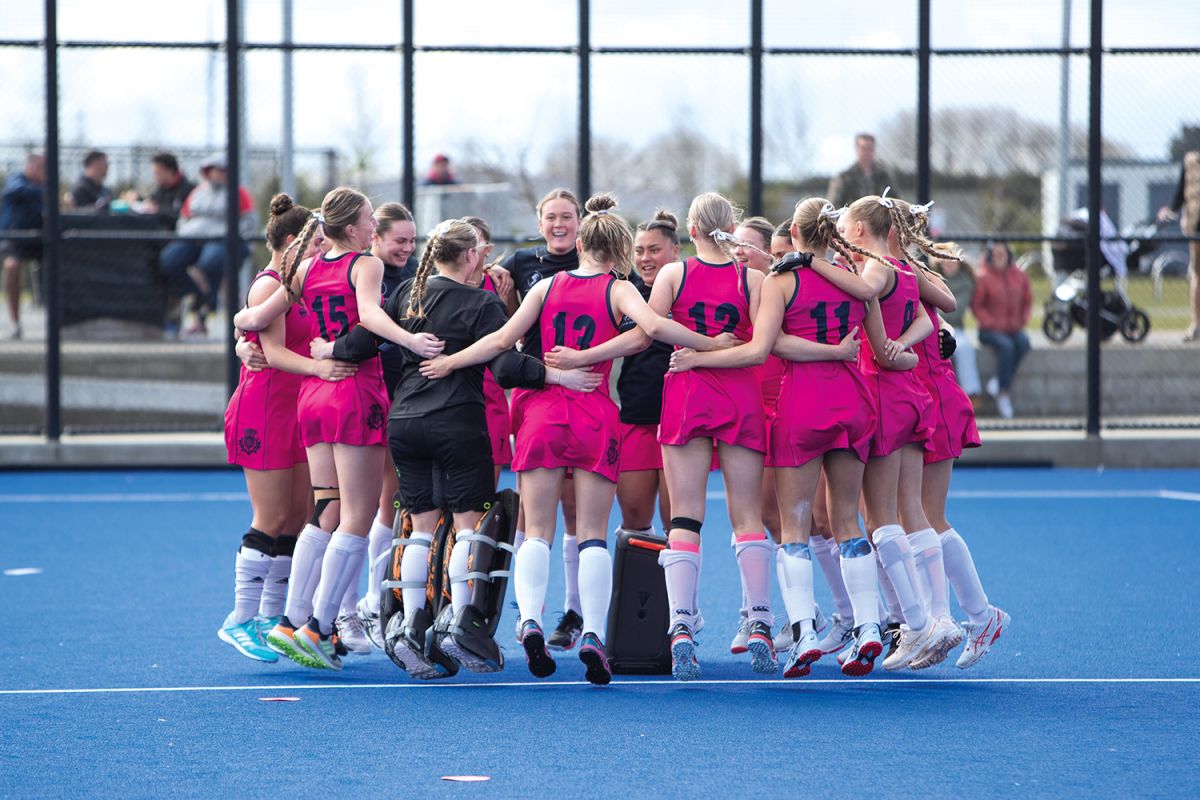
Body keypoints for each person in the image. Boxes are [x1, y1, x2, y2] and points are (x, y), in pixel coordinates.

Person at [421, 193, 729, 684]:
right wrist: (709, 344)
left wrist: (452, 361)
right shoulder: (619, 289)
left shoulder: (547, 286)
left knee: (536, 529)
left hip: (542, 412)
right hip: (593, 414)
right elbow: (648, 331)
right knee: (591, 535)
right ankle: (591, 635)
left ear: (581, 241)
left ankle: (529, 622)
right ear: (621, 249)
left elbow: (501, 342)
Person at [320, 217, 601, 677]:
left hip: (405, 419)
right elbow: (506, 366)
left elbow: (364, 339)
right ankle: (459, 622)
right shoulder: (482, 302)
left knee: (420, 527)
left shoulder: (406, 293)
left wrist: (325, 349)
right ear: (470, 256)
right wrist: (556, 375)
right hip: (457, 420)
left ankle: (411, 624)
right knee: (469, 526)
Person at [232, 186, 445, 671]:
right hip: (354, 391)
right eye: (370, 218)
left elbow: (257, 315)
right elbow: (369, 316)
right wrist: (411, 338)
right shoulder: (363, 264)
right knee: (357, 513)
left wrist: (240, 330)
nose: (374, 225)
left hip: (313, 397)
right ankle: (318, 625)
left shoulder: (304, 268)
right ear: (352, 227)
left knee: (325, 509)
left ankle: (290, 620)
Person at [669, 197, 883, 678]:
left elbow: (763, 347)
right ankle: (869, 626)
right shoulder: (856, 285)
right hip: (852, 402)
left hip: (803, 405)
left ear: (796, 235)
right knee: (848, 521)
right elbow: (883, 348)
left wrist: (697, 357)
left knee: (794, 524)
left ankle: (803, 630)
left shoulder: (782, 282)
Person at [218, 193, 359, 662]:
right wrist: (320, 368)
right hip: (264, 407)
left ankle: (270, 616)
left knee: (300, 519)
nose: (324, 247)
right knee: (271, 516)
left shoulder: (306, 282)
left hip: (297, 405)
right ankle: (239, 618)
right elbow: (273, 350)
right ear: (293, 242)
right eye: (317, 240)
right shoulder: (269, 284)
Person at [900, 200, 1010, 670]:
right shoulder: (893, 273)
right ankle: (949, 618)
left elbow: (940, 312)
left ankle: (972, 617)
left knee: (927, 517)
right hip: (917, 399)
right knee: (914, 518)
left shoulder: (905, 274)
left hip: (934, 400)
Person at [499, 188, 587, 651]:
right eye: (551, 217)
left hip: (588, 394)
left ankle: (572, 611)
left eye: (567, 216)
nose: (559, 224)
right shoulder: (518, 264)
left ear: (580, 221)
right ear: (539, 222)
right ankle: (526, 609)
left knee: (575, 509)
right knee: (533, 511)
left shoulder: (600, 263)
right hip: (536, 394)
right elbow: (498, 313)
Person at [159, 153, 257, 337]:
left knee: (210, 262)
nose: (220, 174)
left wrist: (233, 235)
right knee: (169, 259)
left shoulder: (238, 193)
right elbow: (184, 218)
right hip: (194, 237)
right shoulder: (198, 193)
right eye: (216, 170)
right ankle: (196, 292)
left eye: (223, 170)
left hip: (222, 240)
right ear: (208, 172)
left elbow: (249, 222)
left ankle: (204, 312)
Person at [972, 241, 1032, 419]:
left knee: (1023, 342)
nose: (1000, 257)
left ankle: (998, 382)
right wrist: (991, 322)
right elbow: (977, 306)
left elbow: (1027, 300)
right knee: (1006, 347)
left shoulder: (1019, 276)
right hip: (989, 330)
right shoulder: (983, 277)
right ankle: (1003, 393)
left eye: (1003, 253)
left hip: (1012, 328)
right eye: (996, 254)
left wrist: (1022, 319)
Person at [0, 151, 45, 340]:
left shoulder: (45, 185)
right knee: (12, 266)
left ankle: (58, 319)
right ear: (32, 166)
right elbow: (14, 191)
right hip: (15, 239)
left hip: (42, 240)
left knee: (63, 263)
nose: (46, 171)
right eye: (42, 166)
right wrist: (40, 192)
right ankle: (15, 323)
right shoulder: (17, 180)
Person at [1158, 150, 1200, 342]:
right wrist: (1171, 209)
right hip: (1195, 226)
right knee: (1197, 274)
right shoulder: (1190, 161)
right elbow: (1181, 190)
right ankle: (1196, 324)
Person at [932, 250, 982, 404]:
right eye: (945, 260)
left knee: (964, 348)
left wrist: (935, 310)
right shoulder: (931, 277)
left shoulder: (965, 281)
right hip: (931, 326)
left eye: (952, 260)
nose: (949, 264)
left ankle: (971, 394)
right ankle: (934, 394)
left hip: (955, 328)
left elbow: (955, 311)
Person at [128, 152, 195, 230]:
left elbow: (179, 215)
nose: (155, 176)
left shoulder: (188, 189)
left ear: (169, 171)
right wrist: (139, 199)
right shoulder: (163, 187)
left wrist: (157, 209)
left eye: (158, 173)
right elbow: (151, 201)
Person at [827, 133, 894, 210]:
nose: (867, 152)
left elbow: (895, 202)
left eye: (870, 148)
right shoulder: (845, 178)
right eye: (863, 148)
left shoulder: (884, 176)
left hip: (880, 220)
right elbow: (833, 206)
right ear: (856, 149)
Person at [66, 149, 112, 213]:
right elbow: (76, 213)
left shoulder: (105, 190)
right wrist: (97, 209)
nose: (107, 167)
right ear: (93, 164)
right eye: (103, 163)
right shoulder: (80, 189)